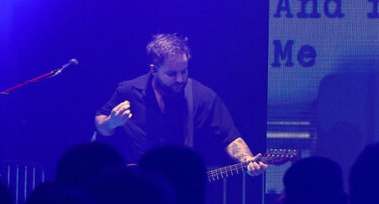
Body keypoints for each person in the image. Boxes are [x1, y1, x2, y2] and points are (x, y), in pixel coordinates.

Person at [93, 33, 265, 172]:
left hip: (181, 188)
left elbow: (230, 137)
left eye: (184, 71)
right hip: (141, 187)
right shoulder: (129, 91)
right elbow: (101, 124)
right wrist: (111, 122)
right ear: (154, 69)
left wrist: (247, 160)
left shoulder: (203, 97)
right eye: (171, 74)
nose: (180, 79)